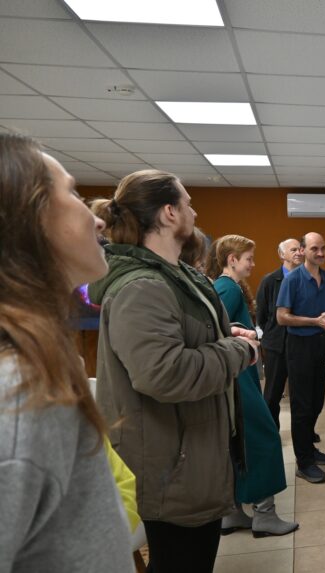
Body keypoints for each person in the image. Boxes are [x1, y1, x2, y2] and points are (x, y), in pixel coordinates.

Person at [88, 169, 259, 573]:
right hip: (172, 465)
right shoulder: (142, 287)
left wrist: (223, 333)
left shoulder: (177, 275)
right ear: (169, 213)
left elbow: (182, 338)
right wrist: (239, 349)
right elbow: (164, 373)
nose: (194, 213)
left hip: (191, 456)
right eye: (188, 203)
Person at [0, 133, 133, 571]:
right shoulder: (20, 394)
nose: (98, 220)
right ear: (29, 218)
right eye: (74, 194)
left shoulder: (35, 368)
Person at [206, 235, 298, 538]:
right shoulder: (229, 289)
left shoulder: (226, 287)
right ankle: (264, 514)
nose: (253, 264)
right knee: (263, 438)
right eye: (248, 259)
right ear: (232, 260)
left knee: (239, 444)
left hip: (237, 376)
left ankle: (232, 513)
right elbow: (212, 330)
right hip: (238, 379)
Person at [276, 232, 325, 484]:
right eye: (315, 249)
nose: (320, 253)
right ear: (303, 251)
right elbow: (282, 317)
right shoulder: (292, 280)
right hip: (299, 345)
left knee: (316, 401)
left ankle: (309, 448)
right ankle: (303, 463)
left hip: (322, 344)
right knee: (301, 406)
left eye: (323, 248)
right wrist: (314, 321)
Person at [256, 238, 304, 428]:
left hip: (301, 344)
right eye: (293, 250)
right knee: (272, 394)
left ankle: (304, 433)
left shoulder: (307, 278)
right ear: (282, 254)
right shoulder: (270, 280)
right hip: (276, 346)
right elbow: (261, 315)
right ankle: (271, 433)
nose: (298, 253)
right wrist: (273, 333)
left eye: (300, 249)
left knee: (302, 395)